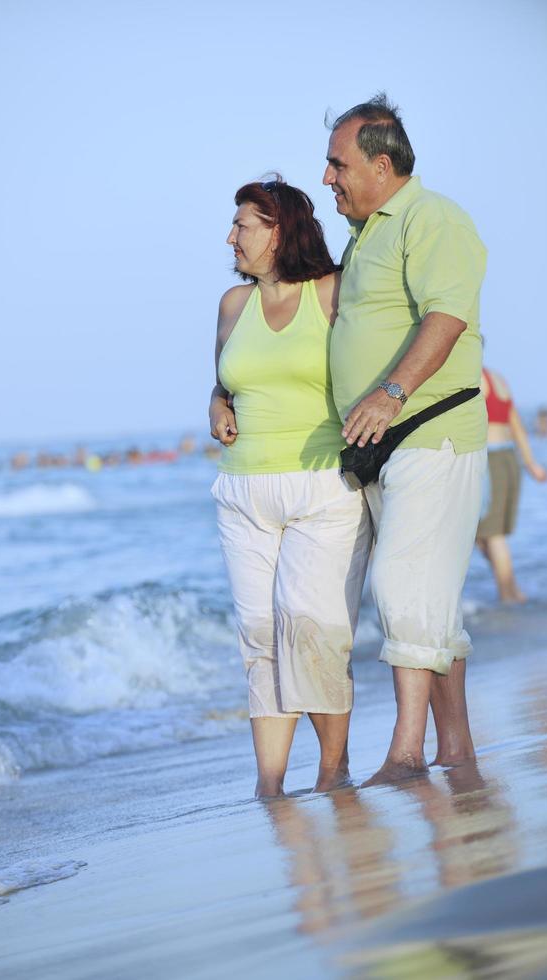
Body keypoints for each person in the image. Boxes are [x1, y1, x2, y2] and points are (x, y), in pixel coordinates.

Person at [324, 94, 488, 784]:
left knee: (400, 586)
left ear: (382, 163)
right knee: (428, 601)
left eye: (338, 165)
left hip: (432, 428)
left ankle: (405, 754)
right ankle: (456, 748)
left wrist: (389, 394)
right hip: (382, 446)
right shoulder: (363, 237)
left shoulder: (431, 217)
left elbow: (447, 316)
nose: (328, 178)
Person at [209, 178, 371, 798]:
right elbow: (224, 383)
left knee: (313, 629)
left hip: (323, 486)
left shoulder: (331, 293)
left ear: (278, 230)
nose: (231, 236)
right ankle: (270, 787)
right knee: (259, 636)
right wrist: (215, 404)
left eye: (242, 225)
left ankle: (334, 772)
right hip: (243, 491)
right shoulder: (231, 304)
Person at [477, 367, 547, 602]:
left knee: (492, 535)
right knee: (485, 534)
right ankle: (513, 591)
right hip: (508, 459)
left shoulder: (474, 377)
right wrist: (531, 464)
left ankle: (507, 595)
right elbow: (516, 426)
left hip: (489, 462)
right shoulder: (499, 380)